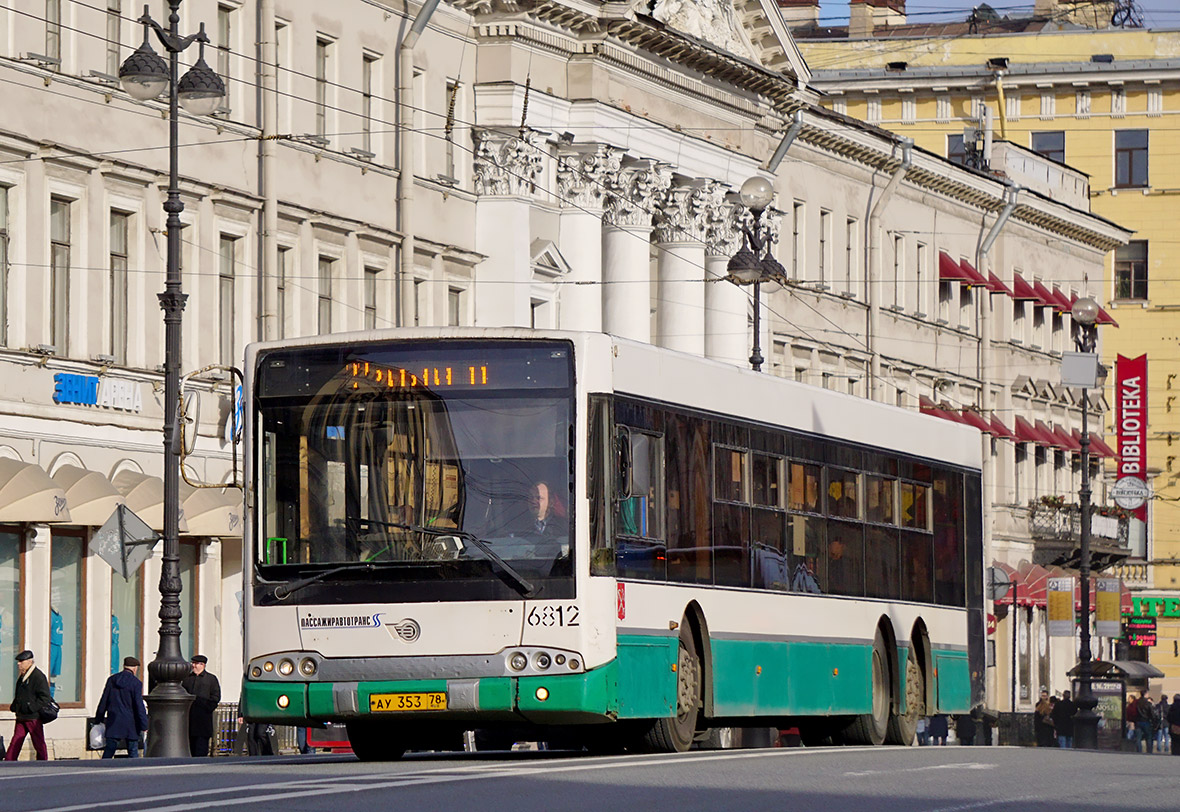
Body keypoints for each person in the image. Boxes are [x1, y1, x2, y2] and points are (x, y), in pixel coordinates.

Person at [95, 656, 149, 758]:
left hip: (114, 721)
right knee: (133, 752)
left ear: (124, 666)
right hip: (131, 723)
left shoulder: (111, 680)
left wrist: (98, 719)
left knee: (109, 750)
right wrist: (144, 725)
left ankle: (102, 768)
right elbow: (139, 705)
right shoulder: (136, 683)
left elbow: (104, 701)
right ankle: (133, 772)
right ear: (134, 668)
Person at [5, 650, 51, 761]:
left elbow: (45, 698)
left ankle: (43, 762)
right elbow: (19, 694)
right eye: (18, 661)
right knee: (16, 741)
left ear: (29, 662)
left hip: (33, 717)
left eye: (21, 661)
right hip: (21, 716)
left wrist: (31, 708)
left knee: (38, 742)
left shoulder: (38, 676)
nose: (18, 664)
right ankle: (8, 762)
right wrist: (15, 706)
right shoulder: (22, 677)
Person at [181, 654, 221, 757]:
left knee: (201, 748)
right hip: (189, 720)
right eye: (192, 663)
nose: (193, 666)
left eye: (195, 663)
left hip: (203, 720)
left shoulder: (211, 679)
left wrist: (207, 708)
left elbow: (215, 697)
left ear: (202, 665)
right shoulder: (187, 679)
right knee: (190, 748)